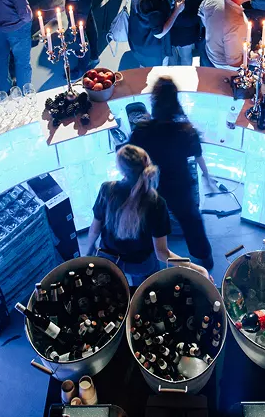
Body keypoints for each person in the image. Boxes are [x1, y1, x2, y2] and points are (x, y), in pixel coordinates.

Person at [85, 145, 206, 285]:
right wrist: (196, 268)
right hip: (141, 264)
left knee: (114, 293)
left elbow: (95, 230)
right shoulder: (156, 203)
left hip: (109, 258)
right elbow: (162, 253)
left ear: (120, 169)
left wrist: (89, 251)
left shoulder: (107, 189)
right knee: (144, 293)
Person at [127, 78, 215, 268]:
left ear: (154, 103)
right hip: (179, 184)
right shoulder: (186, 131)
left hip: (151, 184)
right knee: (191, 221)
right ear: (176, 103)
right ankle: (204, 257)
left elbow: (130, 155)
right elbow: (198, 155)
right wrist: (207, 177)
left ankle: (147, 256)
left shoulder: (141, 131)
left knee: (145, 220)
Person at [127, 0, 186, 67]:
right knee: (157, 73)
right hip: (153, 49)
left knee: (144, 68)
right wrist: (177, 10)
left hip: (138, 42)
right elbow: (159, 33)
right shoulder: (152, 2)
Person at [199, 0, 256, 70]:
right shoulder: (236, 24)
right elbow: (234, 62)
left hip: (207, 51)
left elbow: (201, 12)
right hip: (222, 66)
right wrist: (252, 60)